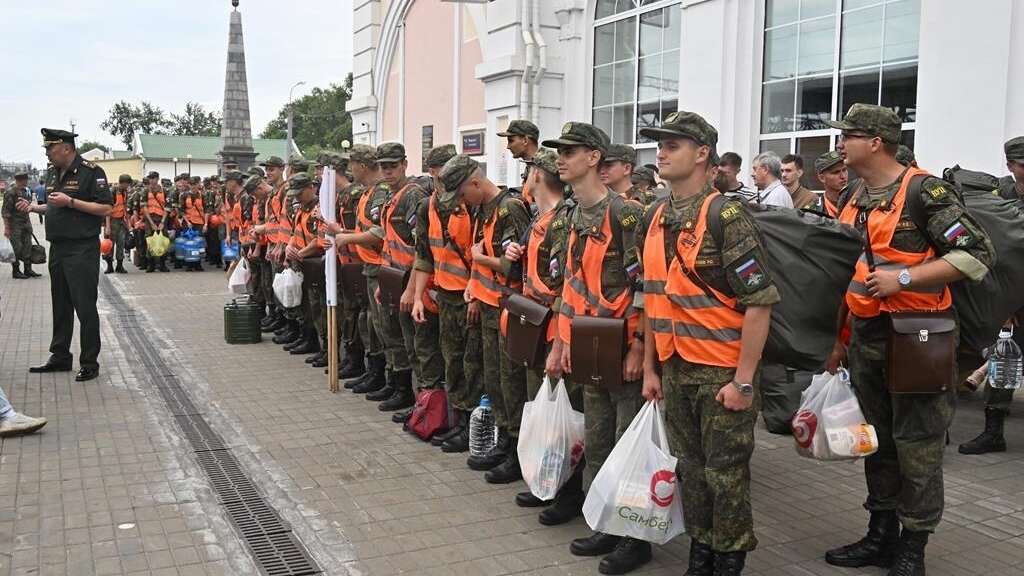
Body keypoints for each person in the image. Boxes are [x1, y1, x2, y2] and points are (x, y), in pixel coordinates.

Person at [824, 104, 995, 575]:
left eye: (849, 136)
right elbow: (847, 269)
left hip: (920, 336)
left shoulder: (926, 191)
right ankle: (880, 535)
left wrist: (905, 279)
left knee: (917, 444)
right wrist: (836, 340)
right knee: (876, 439)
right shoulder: (856, 193)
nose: (841, 144)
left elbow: (977, 255)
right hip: (868, 336)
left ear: (875, 142)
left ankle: (912, 547)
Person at [639, 111, 777, 576]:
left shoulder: (726, 214)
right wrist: (652, 367)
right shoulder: (656, 216)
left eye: (673, 144)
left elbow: (759, 302)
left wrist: (743, 381)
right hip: (675, 366)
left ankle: (729, 556)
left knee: (726, 474)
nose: (661, 151)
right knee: (690, 470)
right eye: (659, 143)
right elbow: (654, 296)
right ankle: (702, 550)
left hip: (722, 372)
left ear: (702, 155)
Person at [540, 123, 649, 574]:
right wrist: (560, 342)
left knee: (628, 444)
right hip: (586, 340)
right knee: (600, 438)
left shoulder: (626, 215)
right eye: (559, 151)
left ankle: (635, 538)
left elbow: (646, 286)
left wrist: (640, 347)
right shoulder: (569, 216)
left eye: (570, 151)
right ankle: (606, 522)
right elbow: (569, 283)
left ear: (594, 159)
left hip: (623, 343)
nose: (560, 159)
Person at [502, 147, 586, 524]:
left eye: (529, 171)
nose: (526, 177)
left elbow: (563, 285)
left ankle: (567, 492)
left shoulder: (560, 221)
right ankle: (549, 482)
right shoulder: (540, 219)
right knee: (545, 410)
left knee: (562, 416)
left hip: (554, 328)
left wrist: (559, 342)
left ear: (538, 175)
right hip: (535, 322)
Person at [440, 154, 531, 482]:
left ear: (476, 183)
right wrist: (474, 288)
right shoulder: (483, 210)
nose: (462, 202)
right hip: (489, 306)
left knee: (510, 383)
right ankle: (505, 440)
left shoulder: (510, 210)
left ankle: (517, 449)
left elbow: (518, 267)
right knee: (495, 382)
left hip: (509, 308)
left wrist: (481, 258)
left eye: (463, 194)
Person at [17, 128, 113, 382]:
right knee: (60, 305)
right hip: (58, 247)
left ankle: (90, 362)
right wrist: (34, 207)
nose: (47, 153)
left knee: (84, 306)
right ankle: (60, 356)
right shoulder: (51, 172)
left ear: (66, 148)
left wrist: (71, 202)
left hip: (82, 249)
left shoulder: (92, 172)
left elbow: (105, 207)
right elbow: (54, 204)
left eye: (50, 148)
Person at [411, 145, 482, 449]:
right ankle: (459, 420)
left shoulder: (472, 204)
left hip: (469, 297)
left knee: (472, 364)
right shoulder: (429, 206)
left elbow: (483, 255)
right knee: (452, 361)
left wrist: (477, 294)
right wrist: (416, 296)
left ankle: (473, 426)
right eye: (436, 170)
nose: (438, 176)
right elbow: (424, 255)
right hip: (444, 294)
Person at [959, 135, 1024, 454]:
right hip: (1008, 299)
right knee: (1004, 361)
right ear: (1011, 166)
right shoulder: (1001, 193)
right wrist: (1006, 300)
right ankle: (993, 431)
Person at [334, 144, 390, 395]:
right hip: (368, 266)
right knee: (371, 323)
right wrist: (340, 233)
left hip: (380, 267)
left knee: (382, 326)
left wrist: (347, 239)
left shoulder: (380, 193)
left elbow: (378, 234)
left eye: (353, 164)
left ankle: (386, 378)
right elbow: (363, 231)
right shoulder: (368, 193)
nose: (350, 169)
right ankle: (375, 371)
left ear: (363, 166)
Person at [3, 172, 40, 279]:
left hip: (26, 224)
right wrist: (7, 228)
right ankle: (16, 271)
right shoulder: (10, 193)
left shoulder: (24, 191)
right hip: (15, 226)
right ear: (21, 180)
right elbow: (5, 212)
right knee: (16, 248)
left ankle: (28, 269)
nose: (27, 181)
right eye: (26, 179)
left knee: (27, 246)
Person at [498, 119, 544, 205]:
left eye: (511, 141)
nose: (508, 146)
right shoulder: (531, 166)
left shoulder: (545, 168)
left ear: (525, 141)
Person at [103, 175, 132, 274]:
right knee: (109, 245)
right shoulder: (112, 191)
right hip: (112, 221)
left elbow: (124, 207)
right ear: (123, 183)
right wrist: (107, 226)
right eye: (128, 184)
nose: (128, 186)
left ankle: (119, 266)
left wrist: (127, 223)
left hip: (120, 221)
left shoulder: (124, 192)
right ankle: (109, 266)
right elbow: (108, 209)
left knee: (121, 243)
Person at [814, 151, 848, 217]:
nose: (843, 176)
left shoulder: (858, 203)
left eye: (844, 170)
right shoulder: (813, 212)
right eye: (836, 172)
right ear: (822, 178)